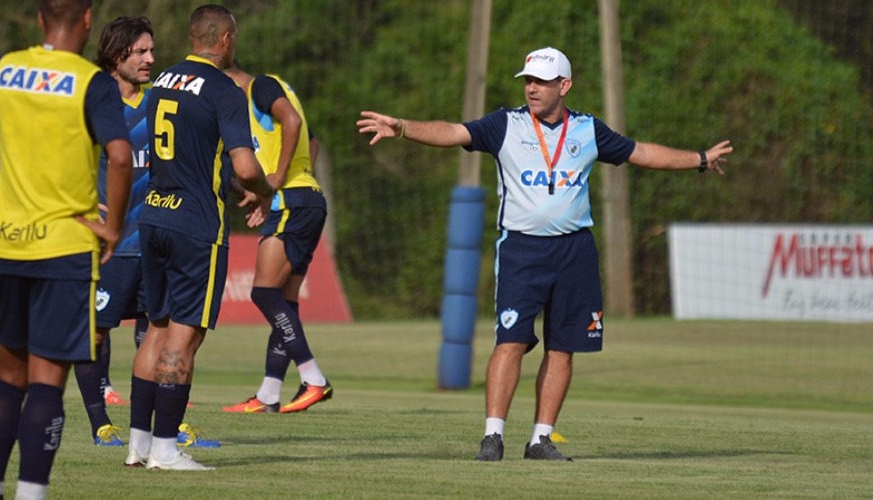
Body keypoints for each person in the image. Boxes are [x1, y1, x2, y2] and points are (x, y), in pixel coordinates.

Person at [357, 47, 732, 462]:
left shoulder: (589, 130)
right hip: (521, 250)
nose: (531, 88)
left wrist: (699, 159)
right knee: (510, 342)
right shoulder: (505, 124)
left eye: (540, 81)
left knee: (563, 346)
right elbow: (453, 132)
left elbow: (641, 153)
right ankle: (492, 436)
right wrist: (403, 127)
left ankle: (540, 439)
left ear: (564, 86)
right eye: (527, 81)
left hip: (575, 251)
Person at [124, 4, 275, 471]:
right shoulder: (225, 90)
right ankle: (167, 450)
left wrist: (233, 185)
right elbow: (247, 166)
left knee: (156, 330)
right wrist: (264, 193)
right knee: (183, 339)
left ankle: (139, 445)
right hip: (195, 227)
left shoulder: (163, 81)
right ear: (226, 40)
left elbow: (189, 159)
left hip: (153, 216)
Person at [0, 0, 132, 496]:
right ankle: (32, 492)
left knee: (9, 377)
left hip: (7, 242)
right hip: (64, 248)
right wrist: (113, 228)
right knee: (46, 380)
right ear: (88, 19)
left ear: (38, 20)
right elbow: (120, 158)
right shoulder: (91, 81)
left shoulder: (6, 70)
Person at [221, 62, 332, 415]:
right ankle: (269, 393)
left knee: (264, 293)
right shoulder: (278, 87)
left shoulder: (262, 87)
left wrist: (275, 182)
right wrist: (278, 190)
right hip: (307, 200)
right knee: (286, 299)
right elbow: (311, 143)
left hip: (292, 203)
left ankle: (313, 378)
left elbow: (294, 123)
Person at [69, 15, 155, 449]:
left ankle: (156, 427)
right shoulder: (92, 99)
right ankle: (100, 422)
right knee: (95, 332)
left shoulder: (157, 102)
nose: (150, 59)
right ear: (116, 52)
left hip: (154, 240)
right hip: (110, 245)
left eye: (151, 50)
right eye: (140, 51)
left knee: (156, 330)